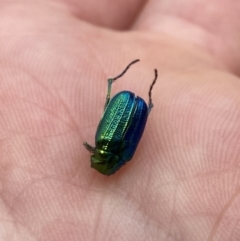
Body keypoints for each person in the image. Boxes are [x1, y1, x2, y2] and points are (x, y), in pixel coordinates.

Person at [1, 1, 239, 240]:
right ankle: (141, 90)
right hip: (129, 105)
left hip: (130, 105)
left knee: (129, 103)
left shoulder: (125, 154)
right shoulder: (106, 143)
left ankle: (144, 92)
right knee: (122, 100)